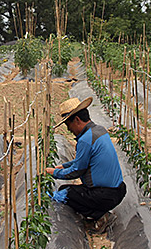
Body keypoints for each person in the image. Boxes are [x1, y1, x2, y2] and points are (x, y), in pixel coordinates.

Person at [45, 96, 126, 233]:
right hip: (119, 190)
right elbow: (85, 160)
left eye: (68, 125)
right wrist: (64, 166)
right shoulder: (99, 130)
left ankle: (101, 216)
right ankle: (100, 212)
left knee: (66, 193)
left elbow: (76, 171)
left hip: (105, 195)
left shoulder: (86, 139)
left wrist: (53, 173)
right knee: (74, 192)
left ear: (77, 120)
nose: (69, 129)